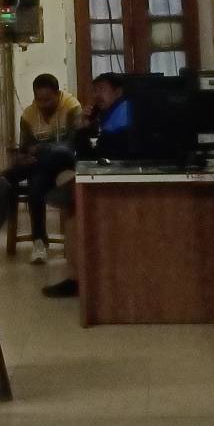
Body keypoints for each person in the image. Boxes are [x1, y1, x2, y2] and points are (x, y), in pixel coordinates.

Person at [41, 72, 143, 299]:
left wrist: (83, 131)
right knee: (59, 170)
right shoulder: (110, 114)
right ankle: (76, 274)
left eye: (102, 89)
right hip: (109, 175)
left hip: (120, 183)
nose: (97, 95)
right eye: (95, 90)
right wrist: (85, 127)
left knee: (71, 197)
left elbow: (97, 155)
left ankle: (76, 278)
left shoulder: (123, 114)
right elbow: (89, 157)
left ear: (118, 92)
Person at [0, 73, 79, 263]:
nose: (43, 104)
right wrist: (26, 157)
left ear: (58, 94)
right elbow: (25, 147)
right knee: (29, 180)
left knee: (53, 156)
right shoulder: (28, 115)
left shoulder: (71, 107)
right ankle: (38, 241)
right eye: (39, 100)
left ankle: (39, 241)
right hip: (39, 167)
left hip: (64, 164)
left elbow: (73, 143)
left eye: (48, 100)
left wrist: (41, 149)